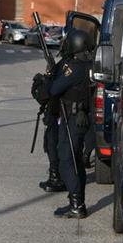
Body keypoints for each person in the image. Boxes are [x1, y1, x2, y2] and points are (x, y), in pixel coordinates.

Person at [47, 28, 93, 219]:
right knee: (75, 161)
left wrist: (51, 73)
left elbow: (54, 89)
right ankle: (77, 201)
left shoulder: (74, 67)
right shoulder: (87, 64)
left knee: (67, 159)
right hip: (79, 117)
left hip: (72, 118)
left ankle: (77, 205)